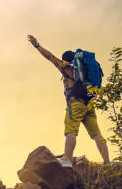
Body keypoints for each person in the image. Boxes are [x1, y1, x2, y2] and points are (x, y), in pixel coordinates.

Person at [27, 35, 110, 167]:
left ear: (66, 60)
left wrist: (37, 45)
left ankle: (66, 159)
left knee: (70, 131)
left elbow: (50, 57)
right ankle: (107, 162)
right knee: (97, 134)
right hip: (89, 103)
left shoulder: (65, 67)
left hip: (75, 103)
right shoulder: (82, 70)